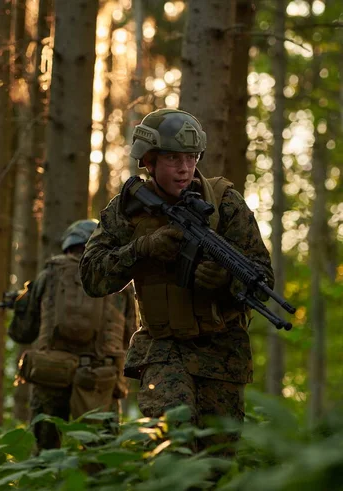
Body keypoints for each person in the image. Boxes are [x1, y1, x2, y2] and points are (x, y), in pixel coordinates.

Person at [79, 109, 274, 454]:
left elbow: (261, 279)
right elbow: (92, 277)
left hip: (222, 354)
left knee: (217, 463)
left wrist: (225, 281)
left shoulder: (224, 203)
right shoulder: (128, 209)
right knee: (173, 451)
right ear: (149, 162)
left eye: (191, 157)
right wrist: (142, 249)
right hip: (163, 351)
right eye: (172, 158)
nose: (185, 168)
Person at [9, 219, 138, 452]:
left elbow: (22, 332)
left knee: (44, 455)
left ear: (69, 244)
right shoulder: (120, 281)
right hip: (100, 378)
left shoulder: (49, 274)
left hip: (51, 374)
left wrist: (20, 304)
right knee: (101, 457)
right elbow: (131, 334)